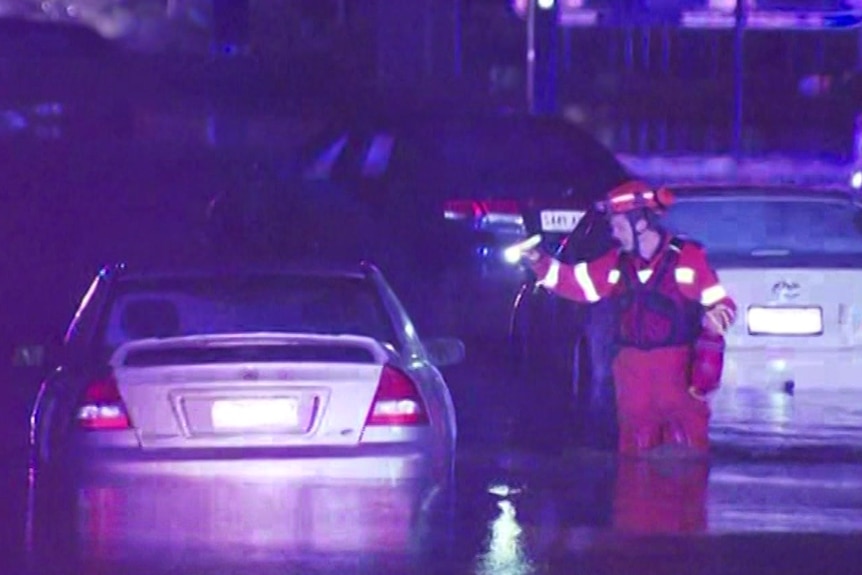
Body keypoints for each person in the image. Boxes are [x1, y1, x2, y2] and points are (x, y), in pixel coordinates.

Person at [521, 180, 736, 457]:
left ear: (641, 224)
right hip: (631, 372)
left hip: (679, 372)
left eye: (619, 226)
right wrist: (539, 261)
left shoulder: (687, 258)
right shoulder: (615, 264)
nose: (615, 233)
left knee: (689, 453)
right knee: (635, 454)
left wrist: (717, 317)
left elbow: (722, 302)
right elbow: (573, 282)